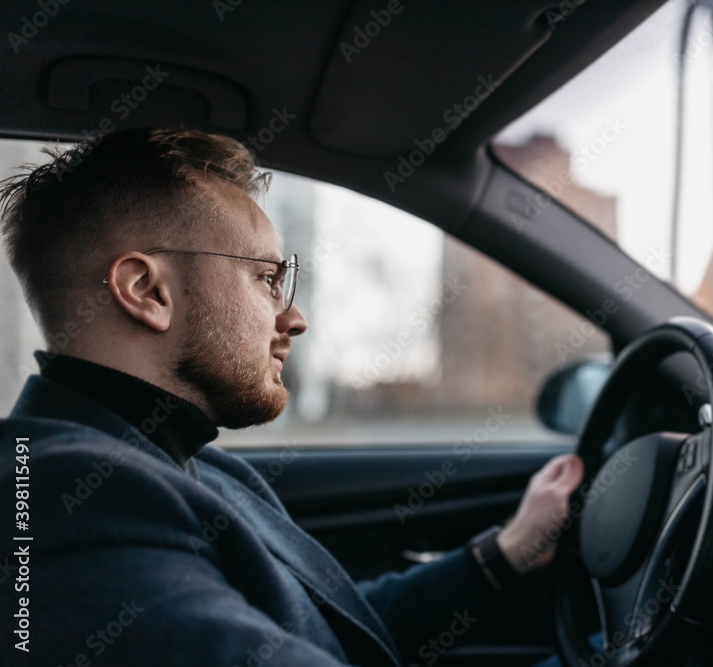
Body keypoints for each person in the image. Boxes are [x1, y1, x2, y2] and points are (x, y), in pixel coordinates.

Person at [0, 128, 584, 666]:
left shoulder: (201, 467)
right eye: (266, 279)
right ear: (147, 290)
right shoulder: (59, 497)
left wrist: (507, 552)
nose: (294, 318)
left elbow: (333, 629)